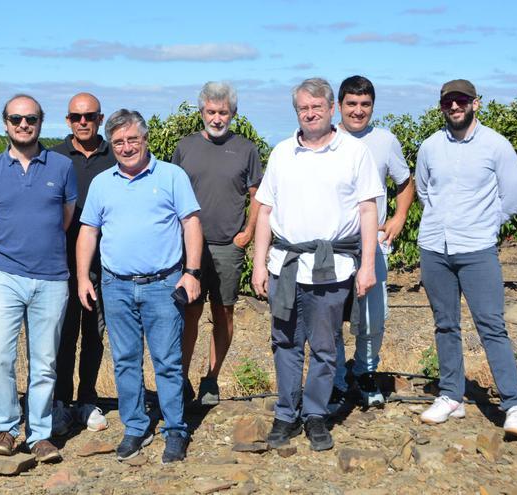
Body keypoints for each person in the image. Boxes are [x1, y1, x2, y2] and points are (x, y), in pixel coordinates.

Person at [252, 78, 383, 452]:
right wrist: (259, 265)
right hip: (286, 266)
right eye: (302, 109)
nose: (309, 114)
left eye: (316, 107)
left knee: (325, 347)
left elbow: (367, 210)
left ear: (330, 109)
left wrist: (368, 265)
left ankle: (315, 414)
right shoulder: (281, 153)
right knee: (285, 343)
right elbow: (265, 213)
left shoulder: (354, 153)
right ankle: (286, 414)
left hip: (333, 267)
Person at [76, 109, 202, 463]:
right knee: (125, 361)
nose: (127, 147)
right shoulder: (103, 183)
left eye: (133, 139)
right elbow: (89, 231)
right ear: (111, 144)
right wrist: (84, 276)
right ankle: (135, 426)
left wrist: (191, 272)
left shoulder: (172, 176)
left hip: (163, 285)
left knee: (167, 361)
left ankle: (175, 429)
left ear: (145, 140)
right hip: (116, 286)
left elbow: (191, 223)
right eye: (119, 141)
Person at [416, 79, 517, 438]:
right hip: (435, 247)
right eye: (448, 102)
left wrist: (482, 225)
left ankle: (515, 404)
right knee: (445, 324)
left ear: (475, 104)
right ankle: (451, 395)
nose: (455, 107)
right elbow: (423, 191)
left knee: (491, 326)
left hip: (478, 249)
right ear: (442, 108)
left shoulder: (497, 145)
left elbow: (511, 199)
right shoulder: (430, 147)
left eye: (461, 100)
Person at [0, 94, 77, 462]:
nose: (23, 125)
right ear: (5, 123)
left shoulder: (62, 168)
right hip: (5, 277)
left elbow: (65, 217)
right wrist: (2, 252)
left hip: (51, 278)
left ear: (40, 123)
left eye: (30, 119)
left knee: (45, 361)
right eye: (16, 119)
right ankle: (5, 428)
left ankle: (41, 434)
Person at [172, 82, 263, 406]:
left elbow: (257, 195)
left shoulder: (246, 149)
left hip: (227, 244)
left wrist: (248, 231)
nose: (217, 117)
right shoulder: (185, 147)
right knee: (188, 313)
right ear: (202, 112)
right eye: (211, 111)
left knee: (223, 311)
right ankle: (180, 379)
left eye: (223, 112)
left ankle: (211, 379)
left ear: (233, 114)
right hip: (189, 247)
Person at [331, 75, 415, 409]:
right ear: (340, 105)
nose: (358, 110)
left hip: (372, 244)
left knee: (373, 315)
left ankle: (365, 371)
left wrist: (398, 218)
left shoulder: (384, 140)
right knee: (332, 316)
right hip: (334, 245)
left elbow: (405, 181)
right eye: (351, 104)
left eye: (365, 104)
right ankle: (337, 377)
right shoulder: (327, 139)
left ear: (372, 107)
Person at [50, 93, 116, 433]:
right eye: (76, 117)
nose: (83, 122)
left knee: (94, 335)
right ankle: (61, 403)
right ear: (67, 120)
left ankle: (88, 400)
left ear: (100, 118)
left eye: (89, 116)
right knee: (63, 337)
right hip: (61, 263)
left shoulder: (115, 156)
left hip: (105, 264)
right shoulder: (54, 158)